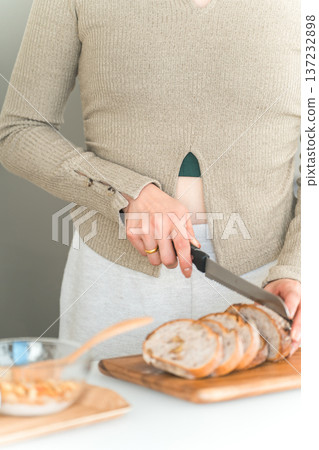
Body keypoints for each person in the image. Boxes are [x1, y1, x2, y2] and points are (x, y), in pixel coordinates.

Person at [0, 0, 301, 359]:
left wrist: (299, 265)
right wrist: (125, 193)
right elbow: (19, 131)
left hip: (273, 288)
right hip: (116, 284)